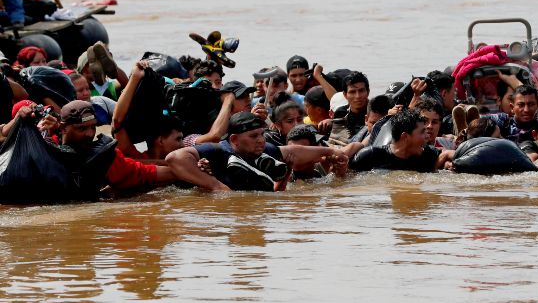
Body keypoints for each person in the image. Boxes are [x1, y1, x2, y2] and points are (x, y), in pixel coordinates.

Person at [59, 100, 226, 195]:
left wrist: (193, 170)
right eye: (82, 128)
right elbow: (117, 121)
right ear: (63, 128)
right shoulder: (46, 149)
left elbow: (146, 172)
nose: (90, 134)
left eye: (92, 127)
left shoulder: (107, 157)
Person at [167, 112, 348, 192]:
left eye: (262, 134)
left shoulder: (262, 150)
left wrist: (331, 151)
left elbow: (295, 151)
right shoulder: (217, 150)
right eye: (253, 136)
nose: (261, 139)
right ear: (234, 140)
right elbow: (174, 158)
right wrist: (215, 186)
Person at [349, 109, 452, 173]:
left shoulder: (426, 155)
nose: (426, 136)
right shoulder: (371, 156)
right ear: (405, 137)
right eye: (422, 132)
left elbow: (449, 154)